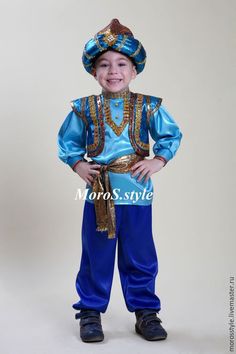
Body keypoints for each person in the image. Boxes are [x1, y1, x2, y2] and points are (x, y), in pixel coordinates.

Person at [58, 18, 182, 343]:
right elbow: (67, 142)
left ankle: (145, 312)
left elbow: (170, 135)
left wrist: (158, 159)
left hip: (137, 194)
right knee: (96, 254)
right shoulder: (84, 108)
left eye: (121, 63)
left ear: (134, 70)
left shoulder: (147, 106)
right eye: (104, 64)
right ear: (94, 71)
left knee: (139, 253)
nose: (113, 71)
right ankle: (89, 311)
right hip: (100, 195)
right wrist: (78, 165)